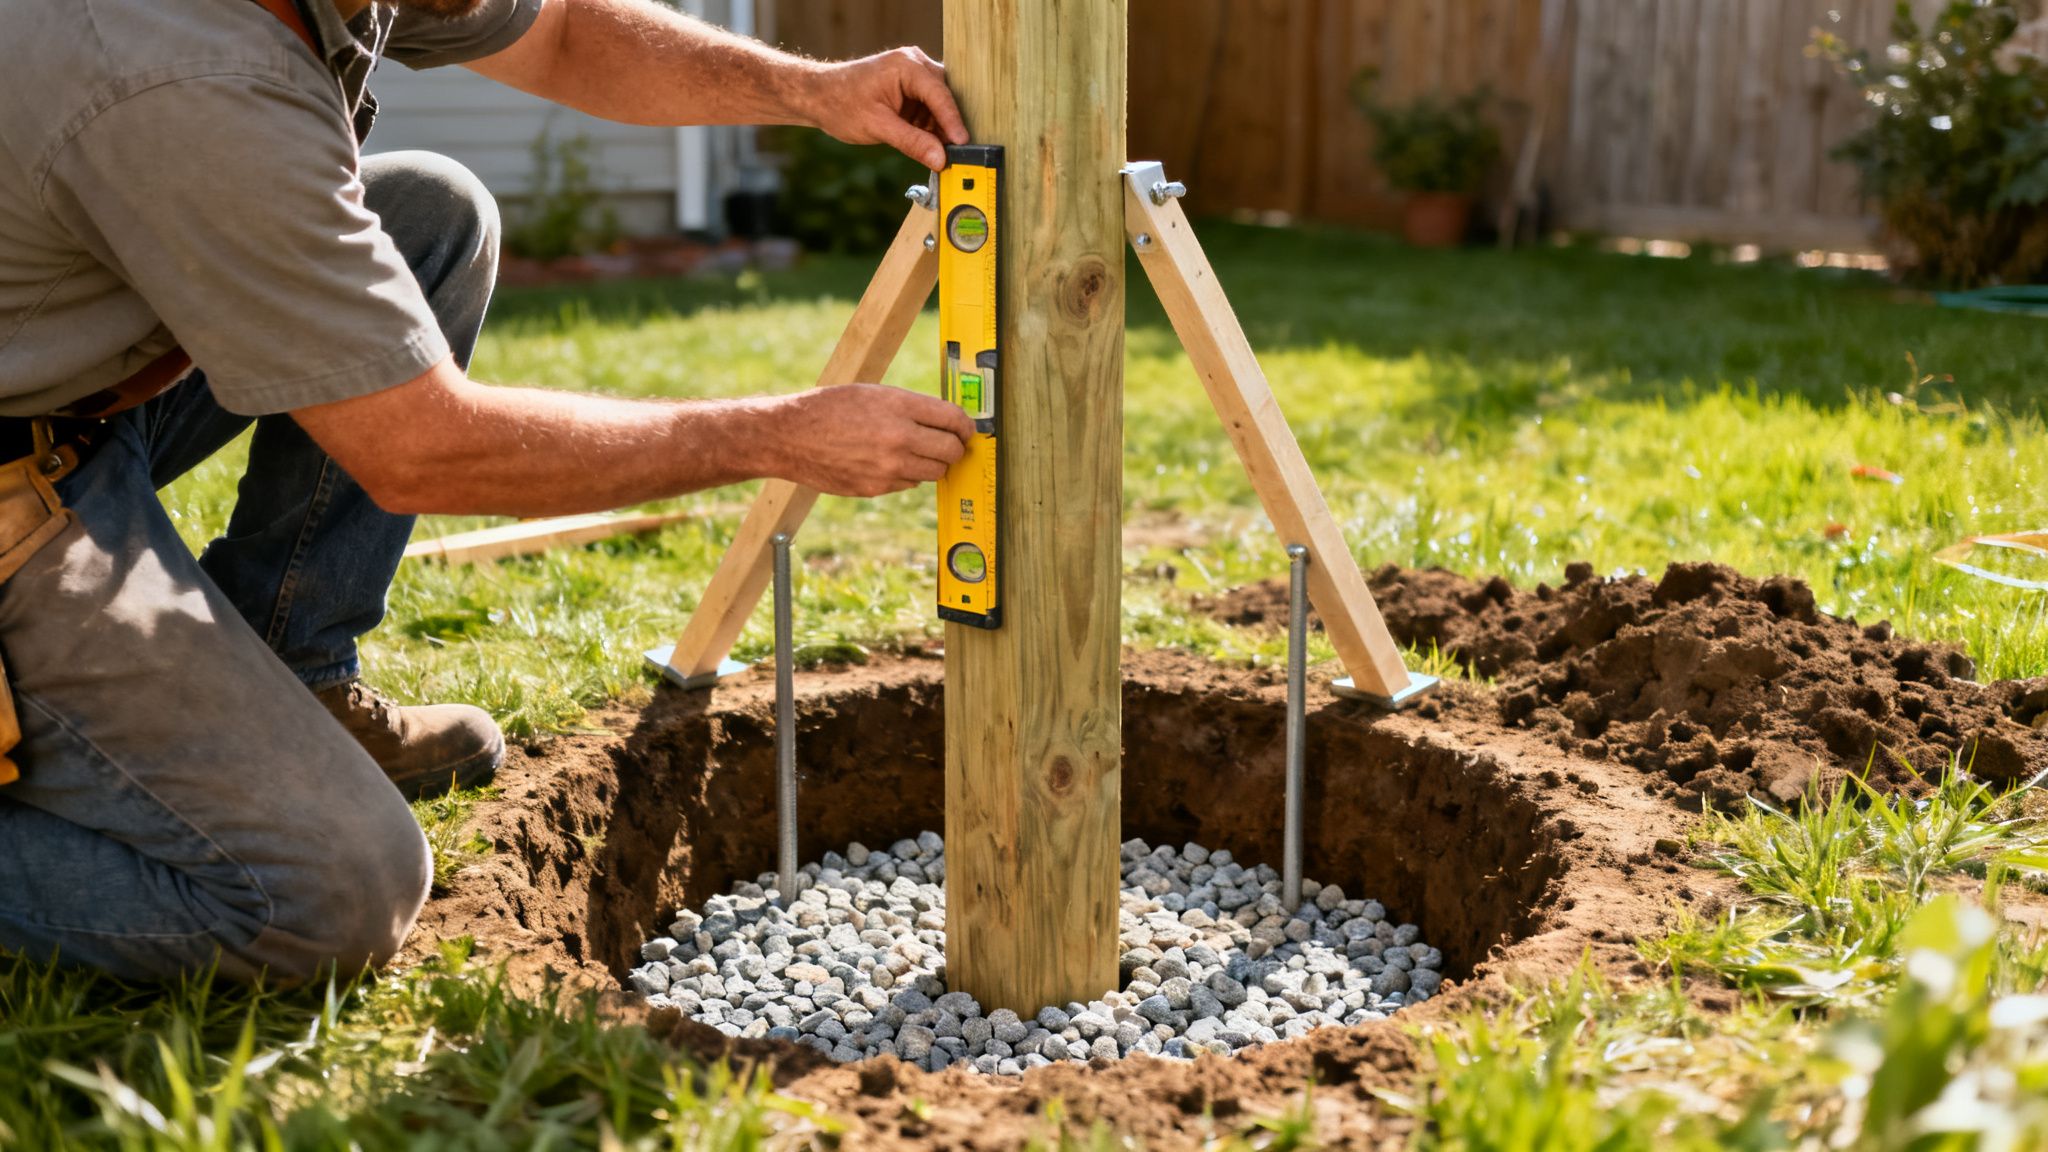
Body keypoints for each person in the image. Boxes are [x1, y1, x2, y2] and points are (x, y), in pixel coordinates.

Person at [0, 0, 973, 982]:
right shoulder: (192, 77)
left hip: (74, 383)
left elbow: (563, 36)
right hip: (20, 463)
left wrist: (811, 90)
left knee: (430, 214)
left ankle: (300, 671)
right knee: (334, 892)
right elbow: (422, 447)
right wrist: (776, 434)